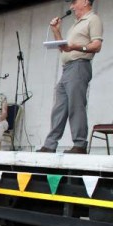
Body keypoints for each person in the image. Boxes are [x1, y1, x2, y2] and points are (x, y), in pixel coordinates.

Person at [38, 0, 103, 154]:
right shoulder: (75, 24)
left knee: (76, 106)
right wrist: (56, 30)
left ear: (86, 1)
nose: (71, 6)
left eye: (74, 2)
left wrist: (76, 46)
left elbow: (97, 45)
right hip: (67, 68)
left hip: (80, 65)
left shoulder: (93, 19)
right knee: (59, 108)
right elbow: (65, 49)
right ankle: (50, 144)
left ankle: (80, 144)